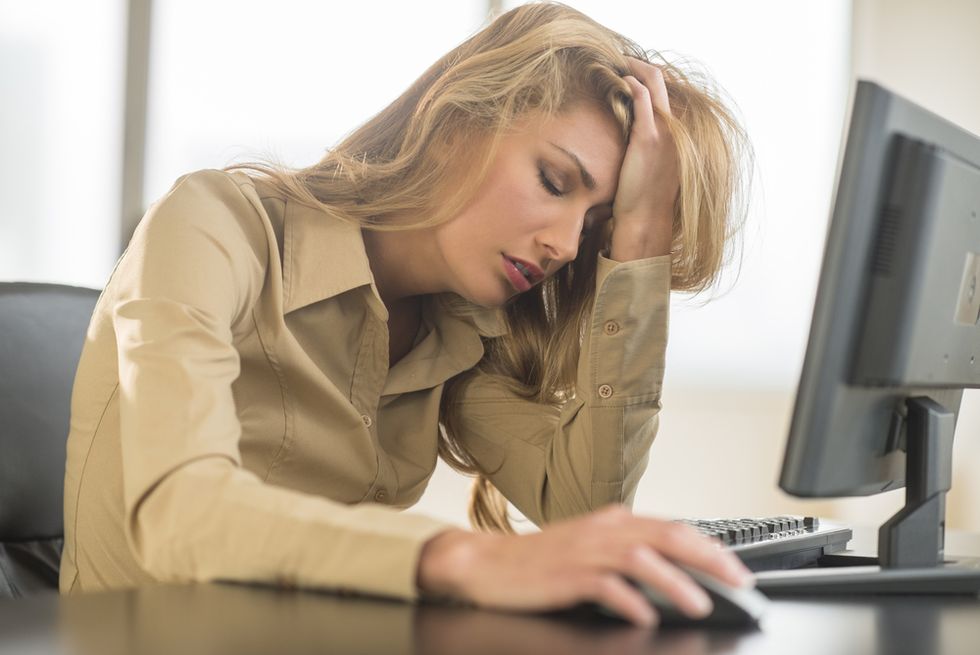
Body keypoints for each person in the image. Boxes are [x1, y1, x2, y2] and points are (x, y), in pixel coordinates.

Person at [60, 1, 753, 627]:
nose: (567, 246)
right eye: (554, 181)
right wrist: (460, 558)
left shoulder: (457, 333)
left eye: (595, 224)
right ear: (456, 123)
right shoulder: (213, 226)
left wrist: (639, 242)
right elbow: (178, 510)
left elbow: (582, 509)